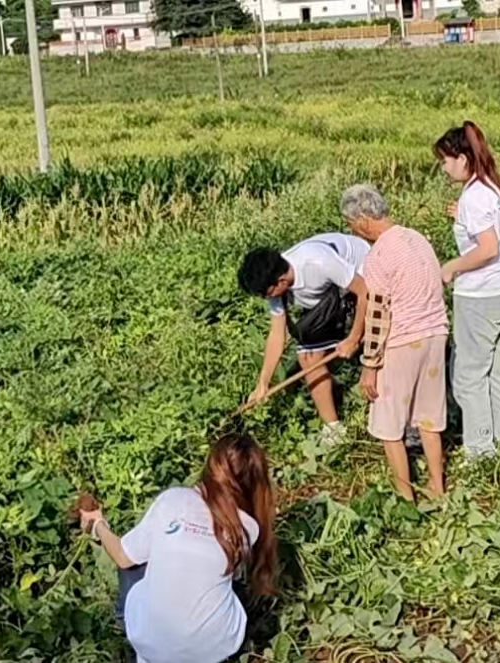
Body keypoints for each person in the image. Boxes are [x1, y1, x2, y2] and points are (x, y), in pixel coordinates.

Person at [78, 434, 277, 663]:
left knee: (135, 560)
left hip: (152, 648)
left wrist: (98, 525)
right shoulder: (248, 528)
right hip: (213, 651)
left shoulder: (173, 500)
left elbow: (122, 557)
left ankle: (139, 627)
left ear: (210, 468)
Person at [341, 183, 448, 502]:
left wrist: (370, 366)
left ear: (362, 220)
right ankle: (438, 488)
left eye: (351, 224)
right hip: (435, 333)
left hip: (403, 341)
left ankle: (406, 497)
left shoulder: (379, 256)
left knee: (389, 425)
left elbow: (377, 316)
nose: (353, 230)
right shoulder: (417, 238)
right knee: (430, 418)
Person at [434, 121, 500, 461]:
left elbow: (488, 249)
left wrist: (451, 267)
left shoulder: (474, 196)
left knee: (469, 375)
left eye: (445, 160)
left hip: (481, 294)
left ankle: (479, 451)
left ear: (462, 158)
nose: (444, 168)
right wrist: (463, 217)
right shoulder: (498, 187)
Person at [238, 233, 370, 441]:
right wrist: (263, 382)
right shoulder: (276, 283)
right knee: (307, 356)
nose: (266, 299)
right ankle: (334, 430)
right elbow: (277, 333)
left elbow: (364, 291)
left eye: (267, 294)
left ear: (280, 281)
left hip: (361, 274)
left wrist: (354, 338)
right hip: (328, 294)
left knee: (369, 334)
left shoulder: (318, 262)